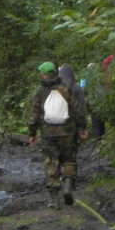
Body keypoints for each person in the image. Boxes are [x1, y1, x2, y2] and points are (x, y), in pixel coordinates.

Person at [28, 61, 88, 209]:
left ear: (43, 74)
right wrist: (82, 128)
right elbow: (77, 110)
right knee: (69, 159)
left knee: (51, 162)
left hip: (48, 133)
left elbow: (33, 115)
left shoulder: (39, 92)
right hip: (68, 131)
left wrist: (32, 133)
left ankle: (54, 199)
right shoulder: (66, 89)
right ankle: (68, 183)